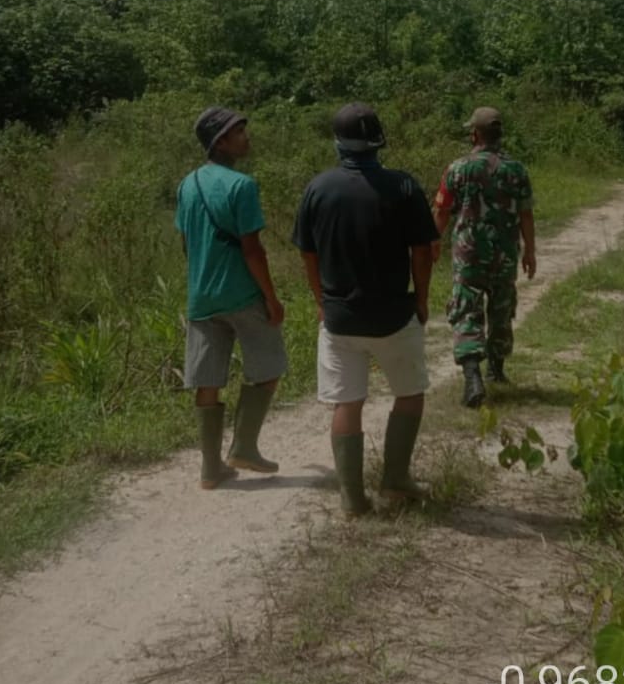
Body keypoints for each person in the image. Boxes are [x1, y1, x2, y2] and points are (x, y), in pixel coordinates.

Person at [292, 102, 440, 515]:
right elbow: (423, 252)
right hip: (394, 314)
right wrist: (422, 299)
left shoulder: (318, 188)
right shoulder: (404, 186)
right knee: (409, 394)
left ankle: (352, 497)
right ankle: (395, 479)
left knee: (348, 403)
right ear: (378, 142)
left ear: (338, 144)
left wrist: (322, 301)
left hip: (340, 318)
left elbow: (308, 254)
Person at [175, 106, 287, 489]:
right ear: (220, 141)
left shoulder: (187, 184)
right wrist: (271, 298)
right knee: (269, 367)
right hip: (241, 294)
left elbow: (187, 243)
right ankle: (243, 447)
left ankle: (211, 469)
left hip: (201, 297)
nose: (246, 137)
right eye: (239, 131)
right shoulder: (243, 187)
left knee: (208, 378)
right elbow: (252, 249)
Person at [432, 106, 535, 408]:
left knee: (467, 309)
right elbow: (526, 213)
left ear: (475, 134)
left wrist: (432, 242)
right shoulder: (516, 170)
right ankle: (496, 369)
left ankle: (472, 375)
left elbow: (440, 210)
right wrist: (530, 250)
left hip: (469, 253)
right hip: (504, 252)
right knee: (501, 308)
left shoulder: (459, 168)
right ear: (499, 135)